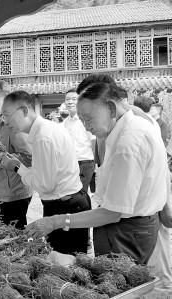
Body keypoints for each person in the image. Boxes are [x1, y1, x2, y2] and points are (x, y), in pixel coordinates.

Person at [22, 82, 168, 266]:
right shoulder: (134, 126)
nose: (85, 126)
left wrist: (55, 221)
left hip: (126, 232)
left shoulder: (128, 143)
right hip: (131, 227)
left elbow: (112, 213)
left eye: (89, 119)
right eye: (82, 120)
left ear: (111, 109)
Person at [77, 74, 172, 292]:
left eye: (88, 117)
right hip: (127, 215)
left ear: (108, 101)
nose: (86, 125)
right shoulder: (116, 125)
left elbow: (157, 170)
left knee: (144, 281)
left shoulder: (131, 132)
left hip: (132, 221)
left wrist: (59, 221)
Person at [0, 90, 91, 254]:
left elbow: (45, 186)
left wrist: (17, 167)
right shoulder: (48, 129)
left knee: (66, 264)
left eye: (7, 115)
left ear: (25, 111)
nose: (5, 121)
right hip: (68, 202)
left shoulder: (43, 137)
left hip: (65, 206)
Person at [0, 80, 33, 229]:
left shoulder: (15, 125)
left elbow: (28, 158)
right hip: (1, 189)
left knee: (15, 235)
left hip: (15, 193)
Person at [63, 88, 96, 192]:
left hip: (85, 162)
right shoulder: (65, 123)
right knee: (72, 193)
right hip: (69, 163)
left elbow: (93, 141)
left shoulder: (85, 119)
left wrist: (95, 163)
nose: (70, 102)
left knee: (81, 192)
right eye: (67, 99)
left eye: (74, 99)